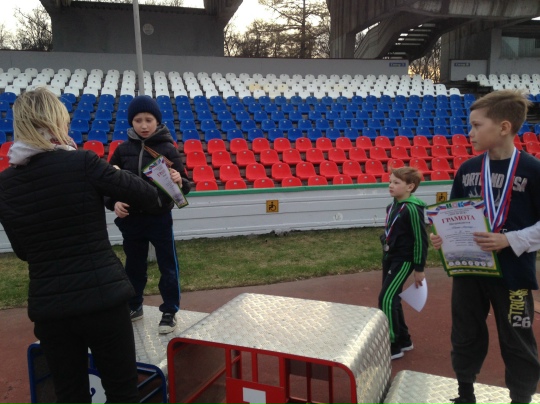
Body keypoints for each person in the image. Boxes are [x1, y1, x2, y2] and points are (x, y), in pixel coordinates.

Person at [0, 87, 163, 404]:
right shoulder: (83, 162)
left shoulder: (5, 184)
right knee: (123, 394)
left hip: (51, 309)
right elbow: (147, 196)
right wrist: (116, 173)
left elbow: (23, 251)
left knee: (69, 396)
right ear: (57, 122)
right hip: (103, 300)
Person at [430, 89, 540, 404]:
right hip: (469, 269)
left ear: (504, 127)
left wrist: (510, 239)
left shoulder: (533, 170)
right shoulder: (467, 169)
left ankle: (521, 399)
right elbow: (453, 214)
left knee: (517, 337)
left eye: (477, 125)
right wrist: (443, 236)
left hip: (514, 273)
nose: (470, 132)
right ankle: (465, 394)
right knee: (466, 333)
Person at [106, 95, 191, 334]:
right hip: (132, 219)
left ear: (157, 121)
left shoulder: (167, 148)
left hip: (159, 218)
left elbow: (185, 185)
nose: (144, 125)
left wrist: (179, 180)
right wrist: (113, 203)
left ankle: (169, 311)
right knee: (133, 266)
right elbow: (106, 183)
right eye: (138, 120)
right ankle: (134, 306)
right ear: (131, 122)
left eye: (149, 120)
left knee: (168, 265)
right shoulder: (122, 151)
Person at [378, 166, 428, 360]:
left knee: (386, 298)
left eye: (396, 182)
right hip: (390, 257)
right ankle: (404, 339)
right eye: (390, 181)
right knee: (393, 298)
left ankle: (392, 345)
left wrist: (419, 268)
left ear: (410, 186)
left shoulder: (413, 209)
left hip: (404, 260)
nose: (390, 185)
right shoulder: (392, 206)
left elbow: (420, 240)